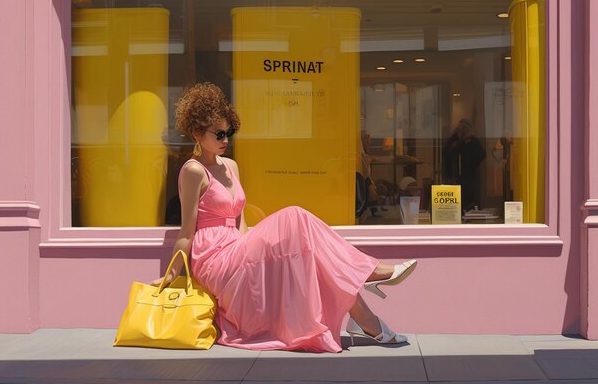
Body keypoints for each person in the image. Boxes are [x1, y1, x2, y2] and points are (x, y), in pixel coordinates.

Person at [151, 83, 417, 353]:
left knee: (310, 252)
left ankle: (363, 318)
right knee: (294, 216)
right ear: (197, 133)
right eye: (218, 133)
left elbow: (239, 220)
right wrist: (171, 275)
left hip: (238, 248)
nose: (225, 139)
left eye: (229, 132)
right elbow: (187, 232)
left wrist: (250, 246)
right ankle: (369, 279)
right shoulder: (193, 171)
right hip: (214, 259)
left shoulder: (231, 166)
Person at [442, 118, 486, 211]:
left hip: (470, 177)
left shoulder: (473, 142)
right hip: (454, 177)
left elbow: (480, 155)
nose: (463, 130)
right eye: (461, 128)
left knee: (470, 200)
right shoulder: (453, 140)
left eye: (465, 128)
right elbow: (447, 155)